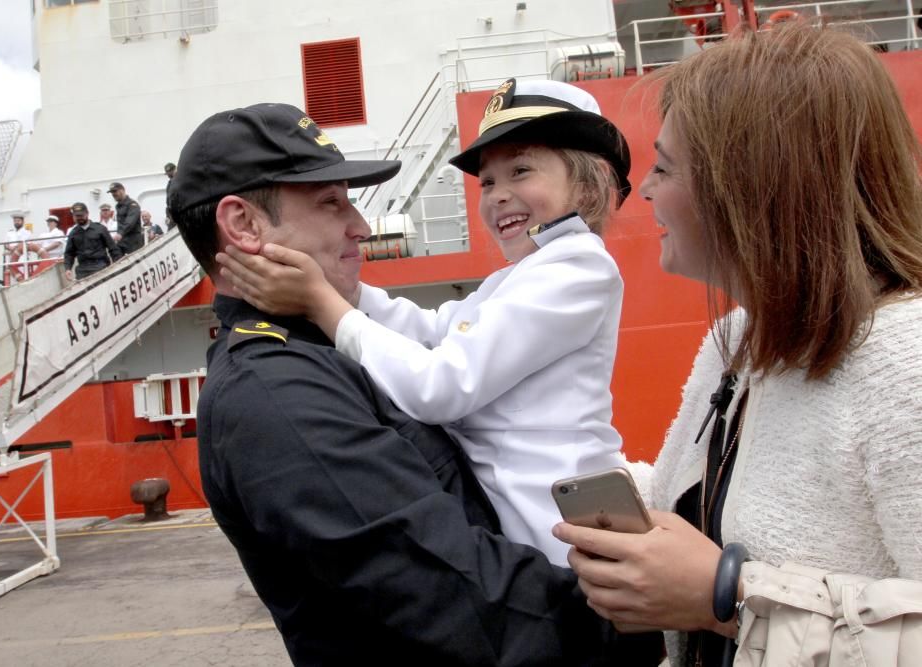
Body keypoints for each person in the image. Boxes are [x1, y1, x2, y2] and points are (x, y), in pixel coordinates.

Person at [168, 102, 662, 665]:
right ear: (244, 225)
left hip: (554, 537)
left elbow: (433, 354)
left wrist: (334, 299)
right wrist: (631, 637)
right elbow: (455, 594)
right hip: (562, 585)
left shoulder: (569, 267)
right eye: (331, 202)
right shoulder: (277, 392)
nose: (360, 224)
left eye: (520, 171)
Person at [551, 23, 922, 666]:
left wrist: (730, 600)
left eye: (664, 167)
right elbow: (696, 500)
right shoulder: (738, 341)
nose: (644, 190)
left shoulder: (905, 364)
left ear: (748, 188)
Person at [216, 79, 633, 566]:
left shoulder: (579, 266)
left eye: (520, 170)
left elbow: (441, 387)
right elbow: (435, 329)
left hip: (560, 541)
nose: (498, 195)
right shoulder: (523, 274)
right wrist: (341, 287)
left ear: (589, 182)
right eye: (489, 182)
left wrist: (322, 302)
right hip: (527, 526)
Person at [64, 201, 123, 280]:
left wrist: (118, 264)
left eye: (81, 215)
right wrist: (68, 268)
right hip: (83, 270)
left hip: (101, 267)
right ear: (73, 217)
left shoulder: (100, 229)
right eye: (77, 216)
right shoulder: (73, 234)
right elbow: (69, 254)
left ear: (87, 214)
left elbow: (113, 248)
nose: (79, 218)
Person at [107, 181, 144, 253]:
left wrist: (120, 233)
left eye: (115, 191)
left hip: (133, 242)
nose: (113, 194)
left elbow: (130, 222)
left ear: (122, 190)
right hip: (122, 241)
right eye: (112, 192)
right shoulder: (118, 206)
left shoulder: (132, 205)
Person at [5, 213, 37, 283]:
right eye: (15, 221)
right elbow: (6, 244)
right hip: (10, 257)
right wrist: (10, 248)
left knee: (22, 274)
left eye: (18, 220)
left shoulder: (27, 232)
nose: (16, 222)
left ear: (22, 221)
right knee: (12, 277)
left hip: (22, 257)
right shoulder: (9, 233)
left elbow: (24, 244)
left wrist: (14, 249)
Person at [163, 161, 176, 229]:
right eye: (168, 173)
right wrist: (168, 215)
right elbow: (168, 202)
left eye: (170, 172)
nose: (169, 175)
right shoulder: (169, 184)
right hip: (172, 214)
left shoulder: (181, 181)